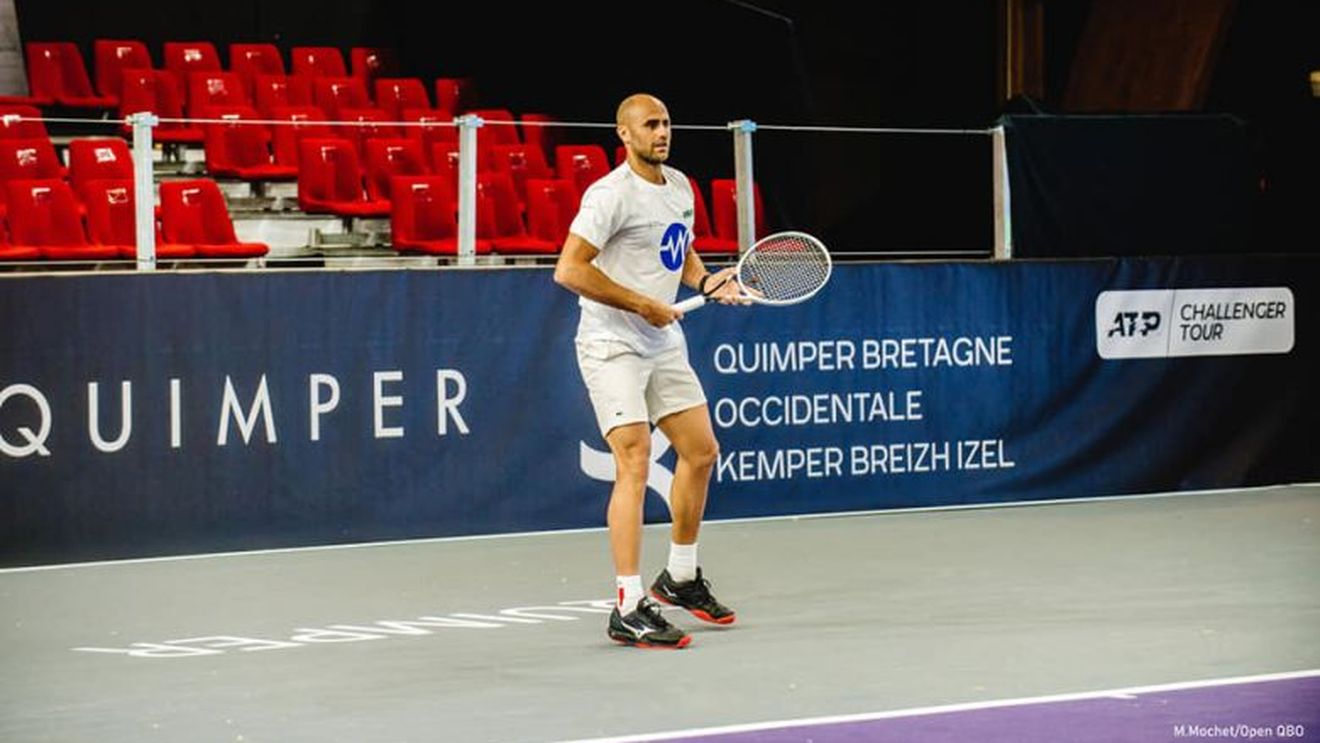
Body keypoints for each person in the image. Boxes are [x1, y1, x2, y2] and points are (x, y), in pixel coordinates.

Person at [553, 93, 745, 649]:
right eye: (650, 125)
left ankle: (680, 576)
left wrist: (708, 283)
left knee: (701, 451)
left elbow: (679, 254)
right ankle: (628, 605)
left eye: (665, 123)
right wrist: (640, 303)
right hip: (611, 342)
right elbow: (569, 269)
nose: (661, 132)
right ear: (625, 135)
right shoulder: (608, 195)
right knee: (634, 457)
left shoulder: (680, 186)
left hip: (662, 340)